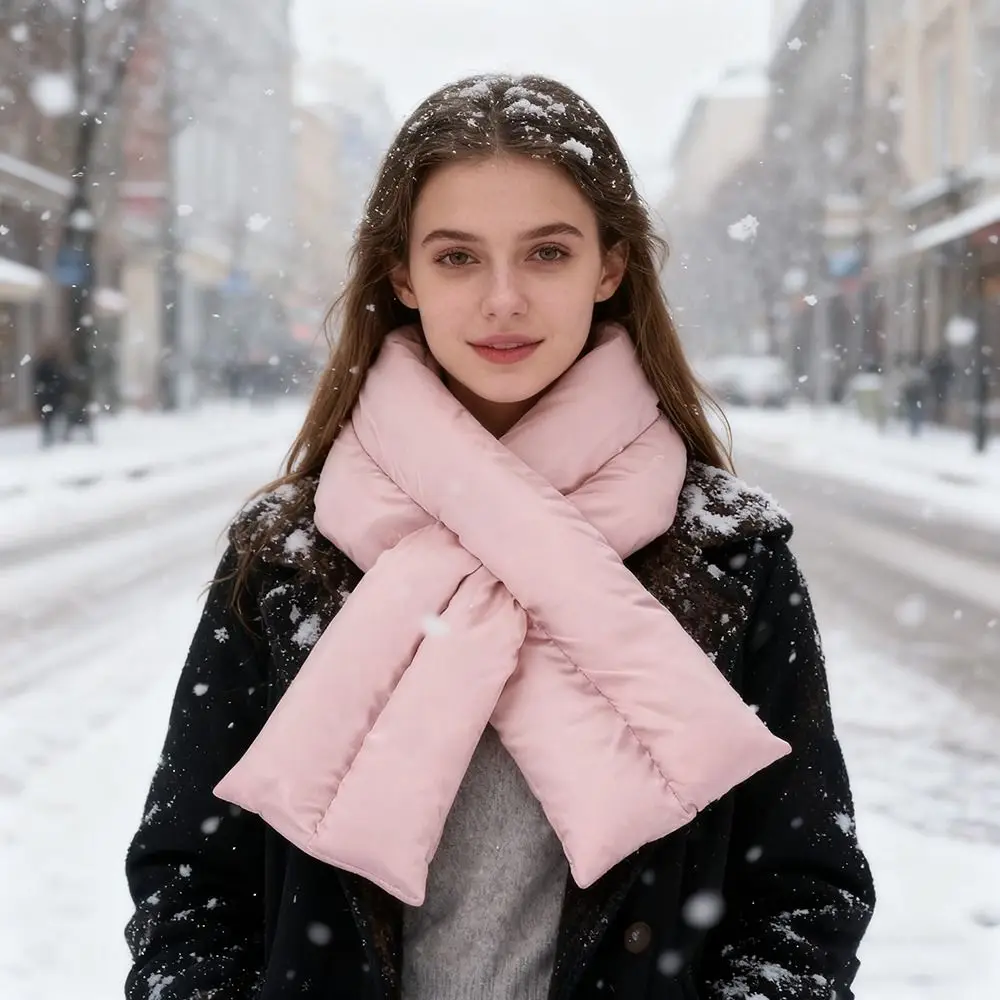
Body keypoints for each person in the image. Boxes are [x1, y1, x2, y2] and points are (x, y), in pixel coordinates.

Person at [124, 74, 875, 1000]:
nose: (503, 299)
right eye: (457, 258)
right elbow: (190, 886)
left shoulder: (729, 555)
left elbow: (804, 896)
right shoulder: (289, 554)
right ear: (402, 274)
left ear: (611, 267)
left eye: (548, 253)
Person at [31, 339, 67, 448]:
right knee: (48, 420)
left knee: (53, 419)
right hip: (47, 398)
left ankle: (54, 440)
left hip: (53, 398)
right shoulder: (44, 366)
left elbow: (63, 381)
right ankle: (49, 440)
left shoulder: (56, 365)